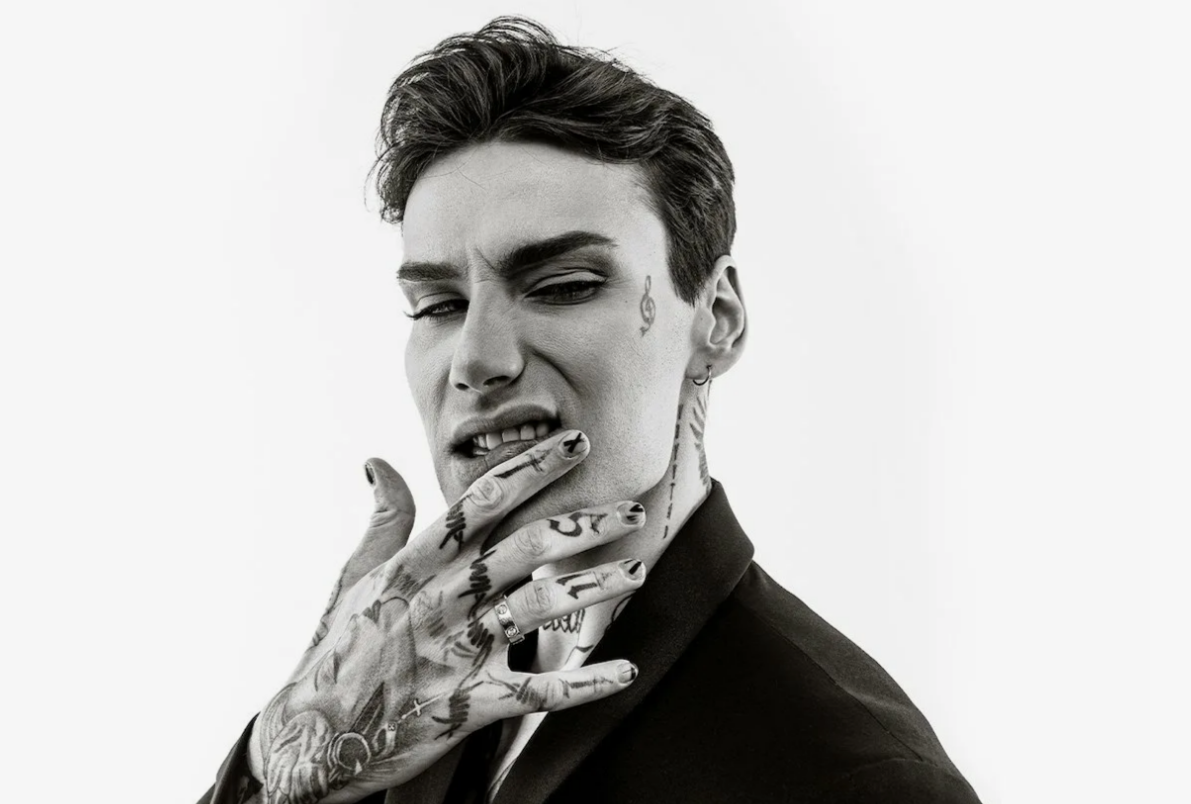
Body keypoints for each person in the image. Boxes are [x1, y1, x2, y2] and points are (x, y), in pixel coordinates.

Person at [200, 16, 981, 804]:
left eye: (564, 287)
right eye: (438, 305)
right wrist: (275, 765)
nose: (475, 360)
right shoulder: (382, 692)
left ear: (716, 320)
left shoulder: (855, 775)